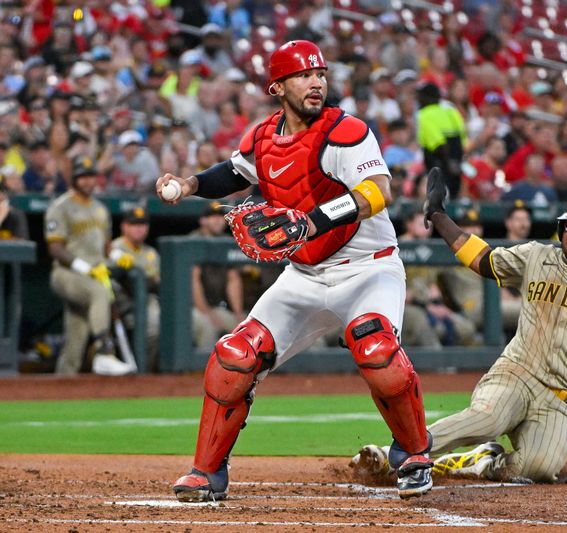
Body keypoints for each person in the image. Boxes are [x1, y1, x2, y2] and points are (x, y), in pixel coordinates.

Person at [157, 40, 434, 501]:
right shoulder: (264, 137)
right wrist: (188, 185)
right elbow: (234, 172)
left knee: (376, 346)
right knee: (235, 356)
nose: (317, 82)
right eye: (304, 75)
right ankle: (207, 473)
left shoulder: (345, 130)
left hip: (368, 269)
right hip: (305, 276)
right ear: (278, 86)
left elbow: (379, 190)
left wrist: (315, 220)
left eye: (321, 74)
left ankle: (414, 452)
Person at [352, 185, 567, 483]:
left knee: (539, 469)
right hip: (516, 372)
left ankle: (480, 462)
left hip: (561, 399)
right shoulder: (538, 256)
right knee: (487, 418)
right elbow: (484, 259)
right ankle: (396, 455)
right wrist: (440, 217)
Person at [44, 157, 135, 376]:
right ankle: (104, 352)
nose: (87, 181)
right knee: (99, 294)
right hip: (66, 273)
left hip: (95, 273)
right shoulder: (61, 206)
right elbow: (55, 248)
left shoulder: (100, 209)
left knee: (76, 335)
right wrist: (85, 268)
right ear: (74, 179)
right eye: (83, 177)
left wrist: (117, 254)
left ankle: (62, 382)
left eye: (91, 176)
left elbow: (105, 245)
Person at [110, 207, 161, 372]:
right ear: (124, 226)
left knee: (155, 324)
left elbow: (157, 282)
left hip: (146, 300)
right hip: (119, 302)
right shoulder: (113, 249)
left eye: (143, 224)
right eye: (134, 224)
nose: (139, 228)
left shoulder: (151, 252)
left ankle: (146, 371)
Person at [191, 201, 245, 351]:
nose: (217, 220)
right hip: (190, 308)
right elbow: (193, 282)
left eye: (220, 216)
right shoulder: (193, 241)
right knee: (207, 326)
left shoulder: (227, 242)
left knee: (242, 328)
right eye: (211, 216)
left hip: (215, 306)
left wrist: (239, 315)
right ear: (202, 220)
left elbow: (233, 280)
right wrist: (207, 313)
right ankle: (201, 369)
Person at [416, 81, 466, 198]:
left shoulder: (424, 114)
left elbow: (438, 144)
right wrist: (456, 160)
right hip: (457, 161)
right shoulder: (451, 111)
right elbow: (462, 137)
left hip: (438, 162)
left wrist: (448, 162)